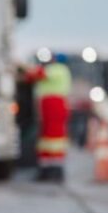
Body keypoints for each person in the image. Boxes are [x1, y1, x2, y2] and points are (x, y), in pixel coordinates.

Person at [23, 53, 72, 182]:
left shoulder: (59, 69)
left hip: (54, 105)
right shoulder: (57, 69)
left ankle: (55, 169)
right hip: (48, 106)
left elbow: (38, 74)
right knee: (46, 138)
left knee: (54, 136)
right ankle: (46, 168)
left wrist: (22, 66)